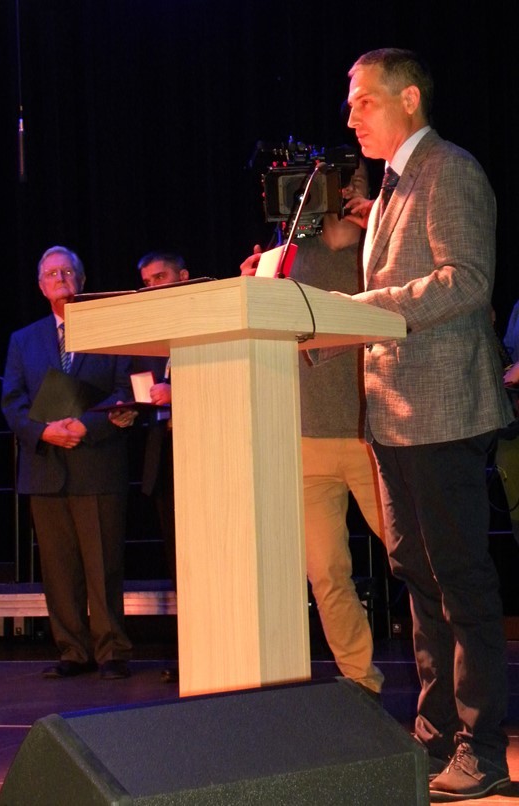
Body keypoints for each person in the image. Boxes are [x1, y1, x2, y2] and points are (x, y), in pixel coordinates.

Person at [337, 48, 514, 800]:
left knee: (460, 582)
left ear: (409, 99)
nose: (351, 116)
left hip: (443, 411)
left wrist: (360, 311)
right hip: (393, 415)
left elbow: (466, 281)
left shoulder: (451, 169)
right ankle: (435, 734)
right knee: (417, 579)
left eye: (363, 101)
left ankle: (482, 747)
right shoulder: (387, 190)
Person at [240, 160, 386, 700]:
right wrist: (250, 288)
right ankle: (360, 681)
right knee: (325, 572)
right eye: (336, 182)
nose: (346, 191)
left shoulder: (382, 246)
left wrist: (372, 222)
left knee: (414, 560)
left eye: (356, 181)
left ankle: (451, 679)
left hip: (372, 435)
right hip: (305, 438)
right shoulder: (287, 256)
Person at [2, 245, 133, 680]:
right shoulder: (23, 340)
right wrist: (43, 432)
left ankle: (112, 651)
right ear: (41, 287)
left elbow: (125, 390)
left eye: (67, 272)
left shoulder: (110, 330)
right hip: (45, 468)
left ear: (82, 280)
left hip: (97, 463)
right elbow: (12, 401)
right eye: (51, 274)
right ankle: (73, 651)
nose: (60, 279)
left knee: (104, 565)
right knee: (58, 570)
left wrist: (85, 426)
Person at [112, 251, 189, 684]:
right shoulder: (147, 334)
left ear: (184, 277)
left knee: (209, 562)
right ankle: (189, 654)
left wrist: (178, 391)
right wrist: (128, 411)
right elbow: (144, 394)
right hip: (165, 461)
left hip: (206, 455)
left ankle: (219, 650)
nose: (153, 286)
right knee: (179, 566)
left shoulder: (205, 320)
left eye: (161, 277)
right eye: (146, 281)